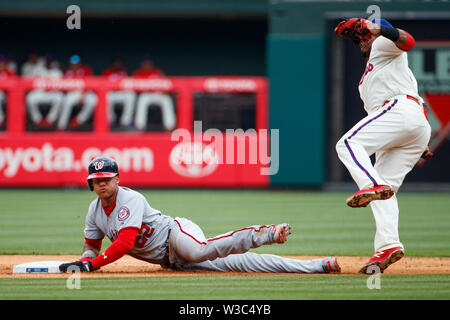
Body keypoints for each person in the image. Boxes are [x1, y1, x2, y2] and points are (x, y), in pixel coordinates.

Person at [59, 156, 341, 274]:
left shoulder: (130, 198)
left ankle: (262, 233)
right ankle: (318, 266)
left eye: (107, 178)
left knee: (198, 251)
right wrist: (85, 258)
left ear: (118, 179)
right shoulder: (94, 210)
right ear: (91, 184)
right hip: (172, 262)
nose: (102, 184)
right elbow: (91, 245)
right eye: (97, 180)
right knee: (245, 265)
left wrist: (91, 266)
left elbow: (125, 243)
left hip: (174, 235)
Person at [334, 18, 433, 274]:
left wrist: (376, 29)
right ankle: (388, 245)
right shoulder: (378, 70)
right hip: (411, 124)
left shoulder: (383, 46)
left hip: (400, 111)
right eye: (359, 38)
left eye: (362, 35)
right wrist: (417, 141)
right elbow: (412, 101)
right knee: (385, 191)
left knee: (347, 144)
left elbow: (407, 40)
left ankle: (371, 184)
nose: (361, 41)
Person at [58, 54, 97, 130]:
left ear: (80, 63)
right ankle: (61, 126)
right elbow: (63, 87)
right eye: (72, 63)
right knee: (66, 101)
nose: (74, 65)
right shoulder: (66, 71)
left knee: (93, 100)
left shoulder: (86, 70)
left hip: (85, 92)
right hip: (71, 93)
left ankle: (79, 120)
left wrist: (83, 94)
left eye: (76, 63)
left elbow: (91, 83)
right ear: (69, 63)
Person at [26, 54, 64, 129]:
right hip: (40, 93)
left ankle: (50, 120)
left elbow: (61, 86)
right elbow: (29, 81)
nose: (48, 63)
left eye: (49, 61)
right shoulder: (38, 69)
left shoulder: (57, 72)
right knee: (30, 98)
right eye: (47, 61)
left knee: (60, 97)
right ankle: (37, 120)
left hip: (52, 94)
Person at [102, 56, 136, 128]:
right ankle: (110, 120)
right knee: (107, 96)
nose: (117, 64)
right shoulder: (107, 72)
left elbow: (130, 83)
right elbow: (102, 85)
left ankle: (126, 121)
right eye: (115, 62)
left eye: (119, 63)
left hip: (123, 93)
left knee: (131, 95)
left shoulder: (125, 71)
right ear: (113, 63)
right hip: (112, 93)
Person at [0, 54, 16, 128]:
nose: (1, 64)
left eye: (2, 63)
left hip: (8, 96)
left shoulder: (9, 72)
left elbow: (15, 84)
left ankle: (1, 119)